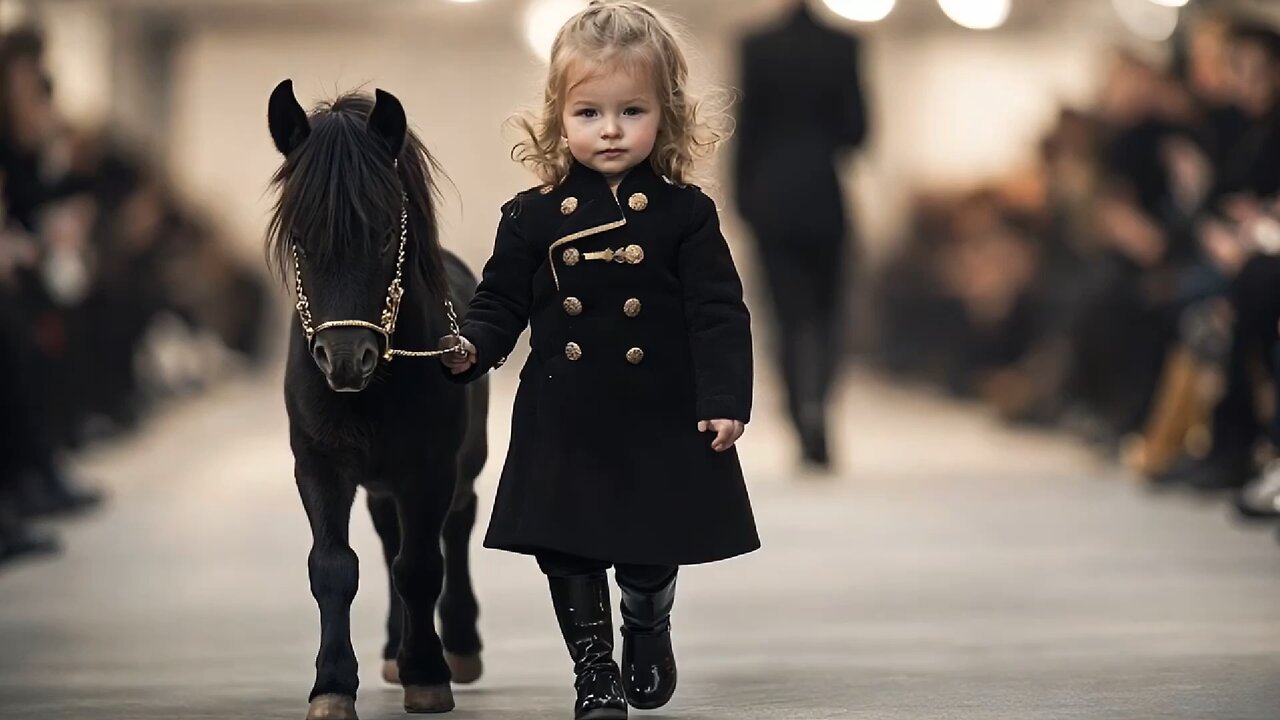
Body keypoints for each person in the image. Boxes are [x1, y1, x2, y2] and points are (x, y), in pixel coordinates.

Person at [439, 3, 759, 717]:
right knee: (570, 549)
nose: (609, 129)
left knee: (650, 549)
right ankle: (593, 669)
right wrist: (471, 346)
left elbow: (717, 312)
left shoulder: (687, 214)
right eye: (588, 112)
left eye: (630, 110)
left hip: (659, 408)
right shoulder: (531, 214)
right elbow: (499, 303)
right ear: (558, 117)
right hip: (567, 407)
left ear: (665, 115)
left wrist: (726, 399)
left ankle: (645, 620)